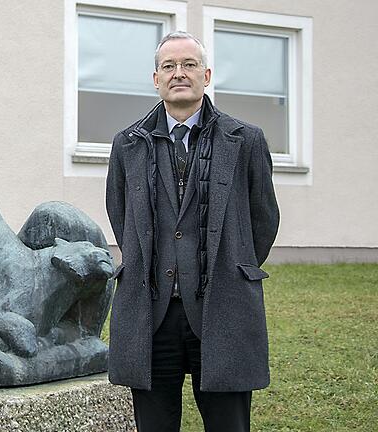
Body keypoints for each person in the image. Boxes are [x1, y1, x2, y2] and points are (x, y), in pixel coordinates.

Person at [105, 31, 280, 431]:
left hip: (223, 310)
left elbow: (263, 219)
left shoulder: (246, 140)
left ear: (207, 74)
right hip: (152, 313)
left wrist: (232, 263)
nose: (178, 73)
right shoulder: (127, 144)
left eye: (189, 65)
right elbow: (121, 214)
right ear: (155, 79)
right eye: (169, 66)